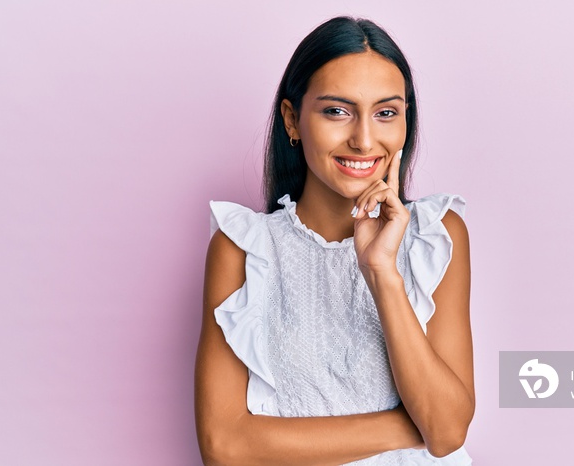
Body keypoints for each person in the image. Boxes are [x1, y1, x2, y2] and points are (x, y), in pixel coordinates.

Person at [195, 16, 475, 465]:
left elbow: (444, 433)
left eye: (386, 113)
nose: (364, 141)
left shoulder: (435, 236)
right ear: (293, 120)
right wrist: (409, 424)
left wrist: (382, 272)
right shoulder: (244, 248)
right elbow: (225, 446)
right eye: (337, 111)